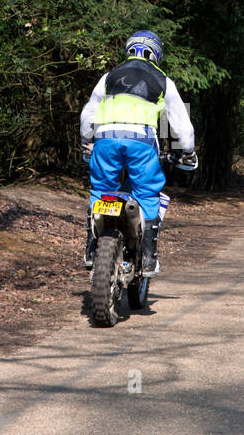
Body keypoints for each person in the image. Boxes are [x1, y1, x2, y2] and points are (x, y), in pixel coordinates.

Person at [80, 31, 196, 276]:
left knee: (101, 188)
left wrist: (86, 142)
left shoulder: (109, 76)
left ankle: (92, 249)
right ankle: (148, 256)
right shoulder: (164, 80)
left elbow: (88, 114)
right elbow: (182, 126)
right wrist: (187, 151)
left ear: (129, 50)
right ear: (156, 53)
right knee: (146, 191)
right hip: (141, 141)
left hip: (105, 139)